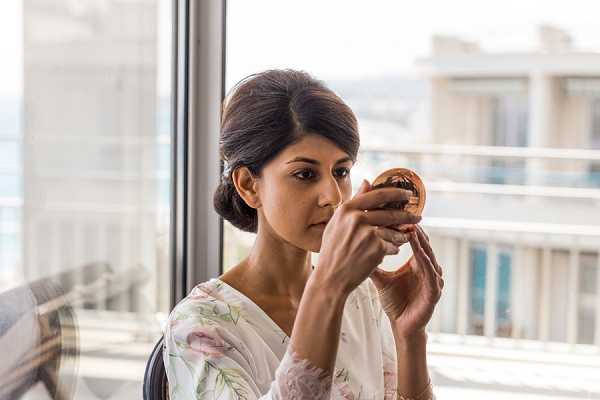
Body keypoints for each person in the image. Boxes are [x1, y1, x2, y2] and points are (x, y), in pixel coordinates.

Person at [163, 69, 443, 399]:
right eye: (305, 174)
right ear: (248, 185)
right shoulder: (201, 327)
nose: (334, 197)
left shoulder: (361, 298)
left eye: (341, 172)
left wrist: (409, 335)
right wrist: (329, 287)